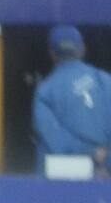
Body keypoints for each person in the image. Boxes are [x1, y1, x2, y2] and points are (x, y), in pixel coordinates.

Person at [33, 24, 111, 178]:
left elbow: (54, 138)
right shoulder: (105, 80)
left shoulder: (44, 92)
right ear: (82, 49)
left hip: (63, 177)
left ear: (52, 53)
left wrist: (90, 152)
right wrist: (105, 160)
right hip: (105, 174)